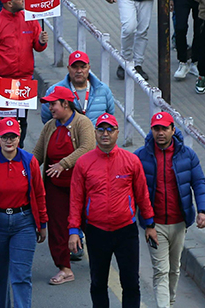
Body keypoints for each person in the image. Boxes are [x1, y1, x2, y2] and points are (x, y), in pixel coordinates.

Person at [69, 113, 157, 308]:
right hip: (96, 231)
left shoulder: (131, 161)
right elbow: (76, 199)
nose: (105, 134)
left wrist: (150, 224)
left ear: (118, 133)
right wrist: (74, 230)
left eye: (110, 130)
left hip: (126, 231)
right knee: (98, 283)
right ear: (95, 133)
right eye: (101, 129)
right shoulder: (84, 163)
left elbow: (142, 195)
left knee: (131, 283)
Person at [0, 117, 48, 308]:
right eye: (5, 137)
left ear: (19, 138)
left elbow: (39, 193)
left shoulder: (29, 161)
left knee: (21, 275)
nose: (9, 141)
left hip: (24, 223)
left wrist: (43, 224)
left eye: (13, 137)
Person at [135, 112, 205, 308]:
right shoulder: (139, 157)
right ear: (151, 130)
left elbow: (199, 182)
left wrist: (203, 210)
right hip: (155, 224)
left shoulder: (188, 155)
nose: (160, 133)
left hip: (179, 223)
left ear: (172, 130)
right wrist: (145, 222)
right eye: (156, 129)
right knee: (161, 270)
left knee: (174, 269)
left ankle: (169, 302)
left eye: (164, 128)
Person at [31, 85, 95, 286]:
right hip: (55, 187)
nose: (50, 107)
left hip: (80, 186)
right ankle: (64, 268)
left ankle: (99, 259)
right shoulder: (50, 126)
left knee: (90, 224)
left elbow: (87, 148)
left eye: (53, 104)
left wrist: (64, 163)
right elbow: (37, 154)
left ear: (65, 104)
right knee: (57, 227)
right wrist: (23, 168)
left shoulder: (82, 123)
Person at [45, 51, 115, 123]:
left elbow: (109, 116)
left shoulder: (103, 89)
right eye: (75, 67)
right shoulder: (53, 91)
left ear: (88, 68)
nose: (79, 71)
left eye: (83, 67)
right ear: (68, 68)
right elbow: (47, 119)